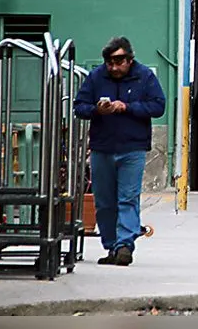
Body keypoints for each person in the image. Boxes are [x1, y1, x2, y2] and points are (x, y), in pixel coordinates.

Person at [74, 36, 165, 266]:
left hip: (132, 148)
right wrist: (97, 110)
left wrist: (127, 107)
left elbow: (158, 106)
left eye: (119, 62)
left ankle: (124, 246)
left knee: (128, 198)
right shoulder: (96, 77)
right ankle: (111, 246)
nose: (114, 67)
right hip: (102, 148)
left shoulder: (145, 76)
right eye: (110, 63)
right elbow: (79, 107)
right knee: (104, 201)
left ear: (130, 60)